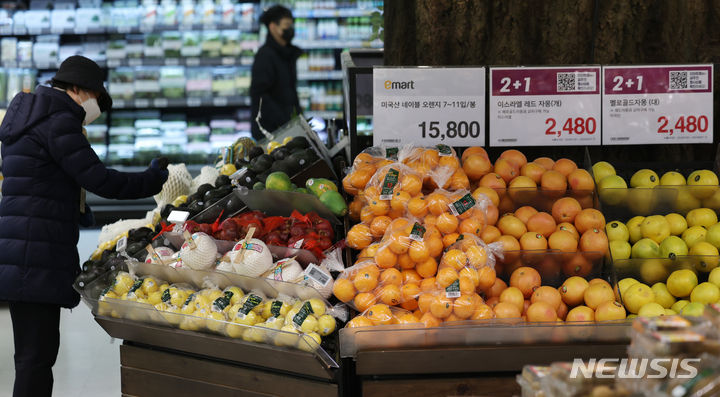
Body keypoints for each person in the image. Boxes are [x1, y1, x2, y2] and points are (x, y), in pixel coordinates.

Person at [0, 55, 169, 397]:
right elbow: (101, 179)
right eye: (93, 97)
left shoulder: (27, 115)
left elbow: (39, 181)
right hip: (38, 252)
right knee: (37, 359)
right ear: (76, 89)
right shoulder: (58, 119)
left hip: (20, 248)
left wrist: (74, 210)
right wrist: (152, 179)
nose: (94, 107)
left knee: (30, 356)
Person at [250, 5, 302, 140]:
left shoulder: (287, 53)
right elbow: (260, 95)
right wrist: (285, 120)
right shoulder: (265, 56)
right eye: (286, 25)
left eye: (291, 25)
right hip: (270, 130)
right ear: (273, 27)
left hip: (288, 127)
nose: (290, 29)